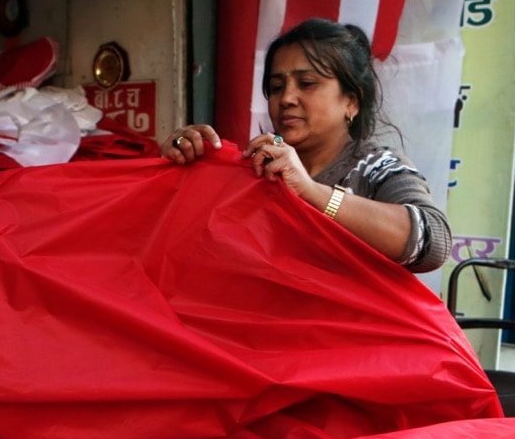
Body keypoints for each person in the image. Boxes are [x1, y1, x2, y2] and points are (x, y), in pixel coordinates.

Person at [162, 19, 450, 274]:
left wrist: (312, 192)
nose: (286, 98)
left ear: (352, 101)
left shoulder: (374, 167)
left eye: (307, 83)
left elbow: (433, 241)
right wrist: (174, 170)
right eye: (276, 87)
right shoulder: (255, 166)